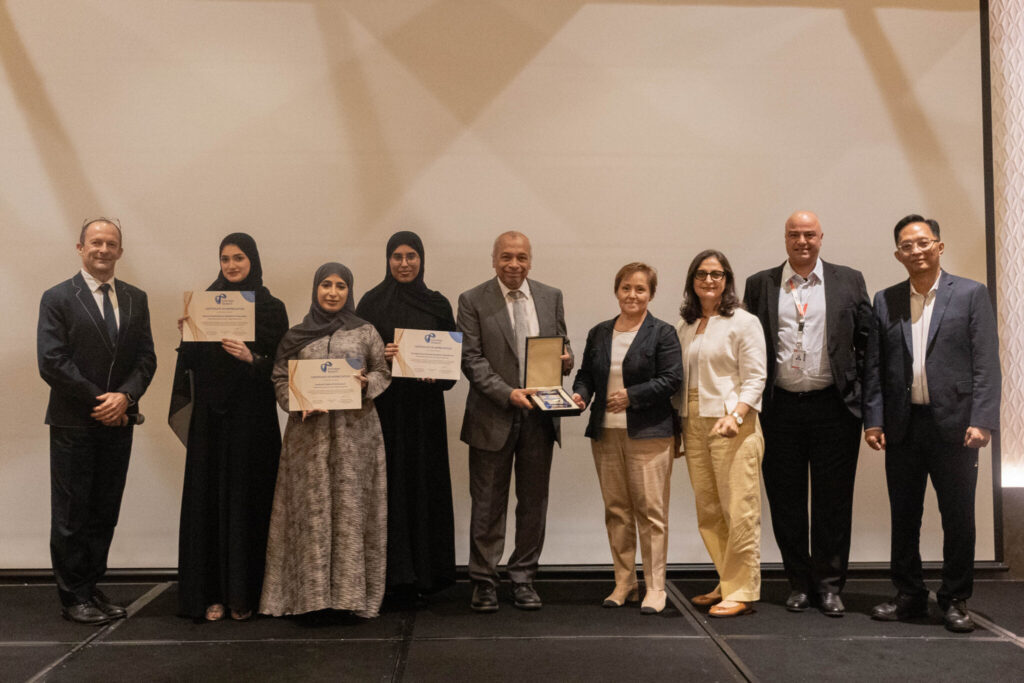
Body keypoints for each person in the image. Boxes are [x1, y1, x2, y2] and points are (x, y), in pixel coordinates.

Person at [864, 215, 1000, 633]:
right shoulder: (885, 300)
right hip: (903, 425)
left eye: (923, 242)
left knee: (958, 517)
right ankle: (908, 595)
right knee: (905, 516)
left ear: (939, 246)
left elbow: (986, 363)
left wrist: (982, 420)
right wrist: (874, 419)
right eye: (907, 245)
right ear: (898, 255)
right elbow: (875, 366)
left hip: (956, 427)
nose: (916, 250)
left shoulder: (971, 294)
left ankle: (955, 598)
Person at [742, 211, 872, 617]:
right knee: (786, 501)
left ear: (821, 238)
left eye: (809, 234)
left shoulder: (848, 280)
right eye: (794, 234)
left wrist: (862, 395)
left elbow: (867, 342)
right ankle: (798, 583)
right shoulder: (760, 284)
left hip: (834, 407)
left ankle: (829, 586)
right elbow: (747, 344)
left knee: (834, 501)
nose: (802, 241)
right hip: (779, 408)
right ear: (785, 238)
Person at [37, 217, 157, 624]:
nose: (103, 249)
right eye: (96, 242)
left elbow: (146, 358)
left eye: (111, 243)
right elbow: (52, 361)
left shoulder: (136, 298)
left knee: (104, 512)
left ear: (120, 251)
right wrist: (102, 401)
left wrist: (125, 398)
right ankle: (73, 597)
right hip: (74, 423)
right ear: (80, 248)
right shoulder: (57, 297)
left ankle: (89, 586)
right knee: (72, 514)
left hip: (119, 421)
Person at [260, 263, 391, 618]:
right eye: (326, 285)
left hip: (355, 435)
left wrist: (366, 384)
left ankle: (350, 599)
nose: (333, 292)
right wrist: (295, 401)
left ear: (349, 291)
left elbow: (382, 371)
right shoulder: (296, 335)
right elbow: (279, 377)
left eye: (340, 286)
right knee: (310, 512)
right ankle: (310, 600)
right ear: (316, 288)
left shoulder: (365, 331)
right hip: (309, 436)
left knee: (351, 510)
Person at [170, 233, 289, 622]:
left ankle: (246, 594)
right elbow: (192, 364)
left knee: (248, 501)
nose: (232, 265)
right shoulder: (205, 304)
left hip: (252, 423)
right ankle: (211, 594)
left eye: (239, 258)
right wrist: (187, 335)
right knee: (210, 503)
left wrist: (251, 358)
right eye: (225, 259)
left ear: (253, 260)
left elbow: (282, 368)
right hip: (212, 423)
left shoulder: (271, 308)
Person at [458, 231, 573, 612]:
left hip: (540, 417)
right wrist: (508, 393)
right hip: (493, 415)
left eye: (521, 257)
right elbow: (471, 360)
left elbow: (561, 343)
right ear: (494, 260)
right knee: (487, 504)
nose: (514, 264)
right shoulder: (472, 300)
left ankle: (523, 578)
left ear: (530, 260)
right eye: (506, 257)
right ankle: (484, 582)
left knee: (533, 504)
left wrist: (567, 358)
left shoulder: (551, 296)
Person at [571, 263, 682, 614]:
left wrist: (632, 396)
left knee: (651, 513)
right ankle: (624, 582)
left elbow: (672, 378)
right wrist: (579, 395)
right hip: (606, 434)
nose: (632, 295)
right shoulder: (599, 332)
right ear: (617, 290)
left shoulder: (662, 333)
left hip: (650, 434)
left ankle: (656, 587)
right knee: (616, 511)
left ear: (651, 294)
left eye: (640, 289)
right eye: (626, 288)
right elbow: (586, 374)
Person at [356, 231, 458, 598]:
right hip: (385, 412)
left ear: (421, 259)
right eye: (396, 256)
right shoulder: (370, 303)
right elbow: (357, 358)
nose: (403, 263)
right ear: (388, 260)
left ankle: (426, 575)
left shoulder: (438, 304)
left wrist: (437, 374)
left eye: (411, 256)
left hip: (425, 413)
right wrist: (380, 357)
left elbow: (451, 368)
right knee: (387, 488)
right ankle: (387, 577)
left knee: (423, 486)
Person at [675, 249, 766, 618]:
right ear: (692, 281)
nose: (709, 280)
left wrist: (737, 415)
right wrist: (677, 426)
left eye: (716, 274)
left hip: (732, 423)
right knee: (709, 510)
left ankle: (743, 590)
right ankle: (728, 580)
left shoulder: (743, 322)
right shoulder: (685, 325)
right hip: (692, 420)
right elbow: (679, 380)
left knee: (739, 509)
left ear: (727, 279)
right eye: (701, 274)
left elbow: (756, 377)